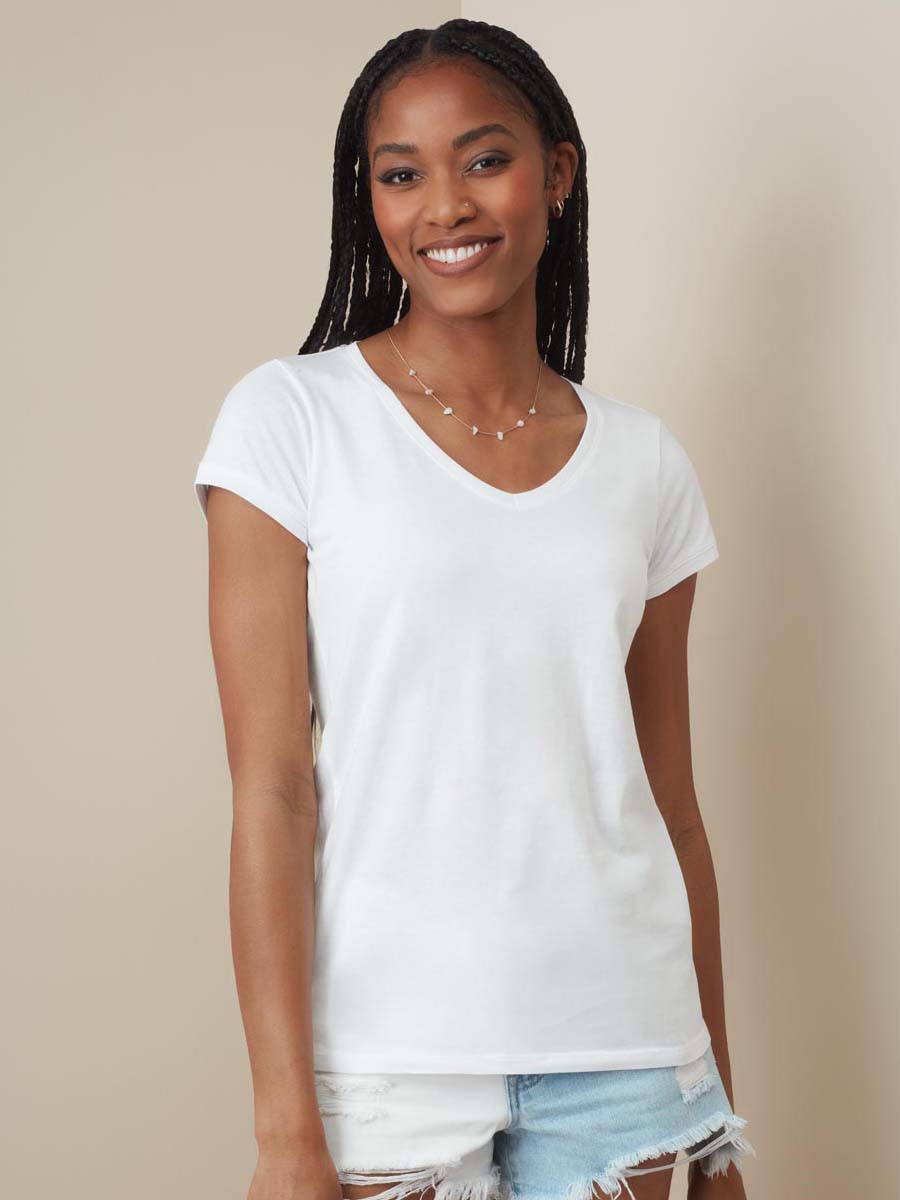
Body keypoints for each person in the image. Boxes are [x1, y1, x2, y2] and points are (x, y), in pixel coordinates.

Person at [192, 19, 755, 1200]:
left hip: (628, 1051)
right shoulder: (290, 422)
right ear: (371, 202)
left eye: (485, 160)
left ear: (557, 173)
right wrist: (285, 1132)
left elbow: (673, 810)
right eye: (402, 175)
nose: (445, 205)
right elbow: (273, 791)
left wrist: (713, 1111)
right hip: (385, 1056)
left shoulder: (645, 464)